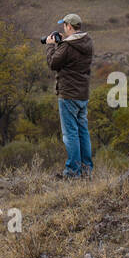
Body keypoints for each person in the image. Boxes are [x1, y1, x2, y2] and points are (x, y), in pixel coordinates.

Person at [45, 13, 93, 179]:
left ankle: (73, 171)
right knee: (83, 132)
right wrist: (61, 44)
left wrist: (51, 45)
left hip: (69, 95)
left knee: (70, 134)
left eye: (64, 26)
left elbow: (53, 63)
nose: (63, 29)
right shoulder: (87, 42)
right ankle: (87, 170)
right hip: (82, 94)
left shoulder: (68, 46)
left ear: (69, 27)